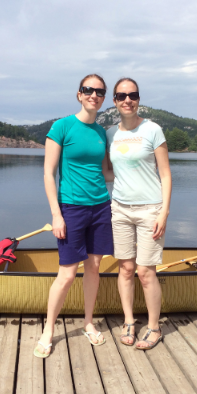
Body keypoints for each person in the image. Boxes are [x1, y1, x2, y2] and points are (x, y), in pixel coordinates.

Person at [34, 74, 114, 358]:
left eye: (100, 91)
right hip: (71, 208)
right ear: (79, 94)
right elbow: (48, 173)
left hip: (101, 207)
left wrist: (139, 173)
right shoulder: (62, 126)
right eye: (88, 90)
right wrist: (56, 214)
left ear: (103, 98)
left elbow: (106, 173)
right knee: (67, 274)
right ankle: (48, 330)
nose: (94, 95)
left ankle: (88, 323)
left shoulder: (102, 132)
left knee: (94, 267)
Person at [105, 78, 172, 350]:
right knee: (126, 269)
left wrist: (163, 213)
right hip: (119, 208)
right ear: (115, 101)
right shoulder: (110, 133)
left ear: (139, 98)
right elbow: (108, 172)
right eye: (121, 96)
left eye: (132, 95)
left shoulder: (153, 130)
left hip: (150, 209)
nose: (127, 100)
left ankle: (154, 327)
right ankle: (130, 321)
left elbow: (165, 175)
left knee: (145, 271)